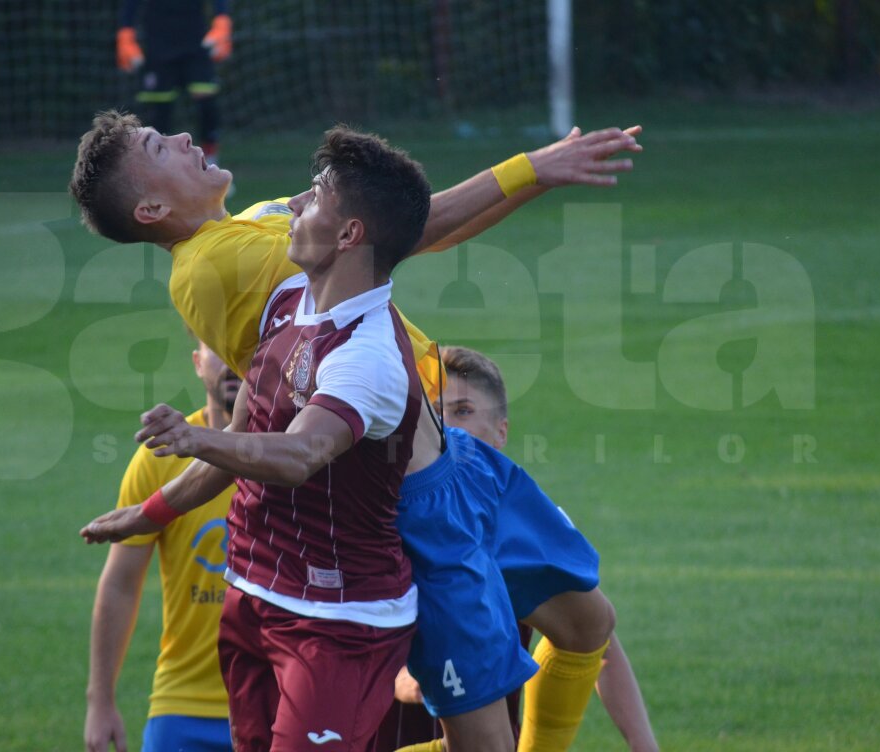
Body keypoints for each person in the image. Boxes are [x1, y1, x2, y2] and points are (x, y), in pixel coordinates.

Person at [69, 112, 644, 751]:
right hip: (407, 494)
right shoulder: (214, 263)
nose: (182, 137)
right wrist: (530, 169)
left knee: (589, 625)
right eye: (158, 145)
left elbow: (389, 223)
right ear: (150, 208)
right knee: (482, 735)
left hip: (457, 461)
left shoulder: (253, 225)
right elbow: (396, 231)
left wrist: (543, 175)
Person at [83, 127, 435, 751]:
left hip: (336, 619)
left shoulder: (366, 355)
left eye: (313, 200)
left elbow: (297, 455)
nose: (291, 204)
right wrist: (152, 510)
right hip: (256, 594)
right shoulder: (286, 306)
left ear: (350, 235)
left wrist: (194, 441)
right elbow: (248, 431)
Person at [381, 347, 661, 752]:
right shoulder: (397, 524)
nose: (444, 428)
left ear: (501, 432)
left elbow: (598, 640)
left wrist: (642, 742)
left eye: (461, 412)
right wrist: (403, 679)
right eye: (433, 413)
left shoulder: (528, 526)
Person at [84, 340, 240, 752]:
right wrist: (100, 701)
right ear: (196, 362)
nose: (233, 361)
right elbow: (120, 583)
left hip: (280, 701)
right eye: (217, 346)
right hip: (181, 708)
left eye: (244, 343)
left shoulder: (293, 452)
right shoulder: (161, 457)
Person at [116, 0, 232, 170]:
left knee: (206, 103)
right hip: (158, 45)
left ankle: (210, 163)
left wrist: (222, 21)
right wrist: (125, 35)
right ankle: (156, 168)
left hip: (196, 44)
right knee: (159, 114)